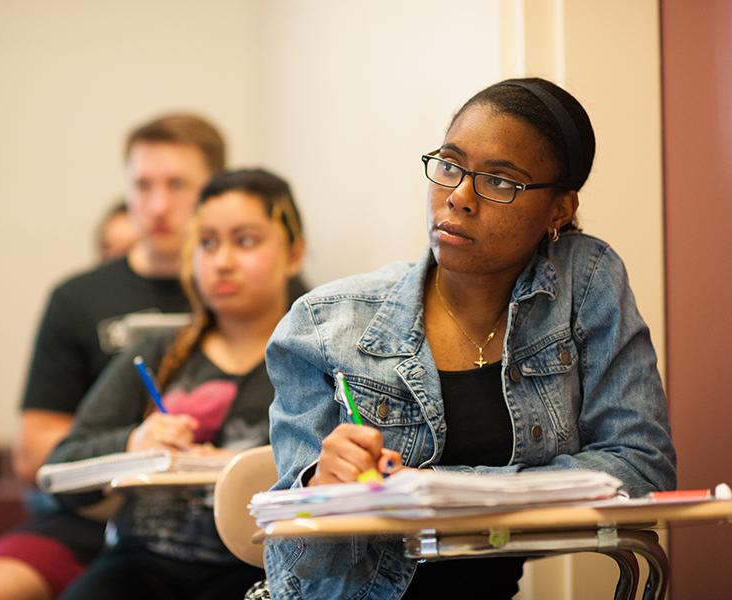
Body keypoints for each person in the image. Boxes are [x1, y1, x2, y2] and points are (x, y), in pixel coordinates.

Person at [263, 77, 677, 598]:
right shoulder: (324, 326)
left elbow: (642, 464)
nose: (458, 197)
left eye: (500, 182)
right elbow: (296, 566)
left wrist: (446, 490)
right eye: (451, 165)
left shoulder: (584, 282)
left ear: (560, 209)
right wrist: (319, 492)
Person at [0, 113, 226, 600]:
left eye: (178, 184)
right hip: (92, 517)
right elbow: (34, 450)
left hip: (221, 519)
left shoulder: (264, 297)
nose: (158, 204)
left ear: (214, 191)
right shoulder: (77, 298)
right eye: (142, 185)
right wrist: (133, 445)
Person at [50, 168, 305, 600]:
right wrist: (134, 444)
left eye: (245, 241)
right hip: (139, 564)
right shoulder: (156, 351)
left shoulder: (312, 358)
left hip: (259, 570)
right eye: (206, 243)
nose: (222, 261)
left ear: (293, 253)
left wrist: (238, 466)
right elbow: (64, 470)